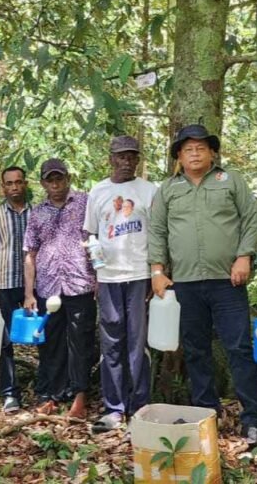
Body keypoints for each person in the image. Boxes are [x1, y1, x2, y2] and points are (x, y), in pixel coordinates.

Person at [148, 124, 257, 446]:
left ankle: (253, 420)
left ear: (212, 152)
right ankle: (205, 415)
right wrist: (157, 270)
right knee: (196, 350)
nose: (195, 153)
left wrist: (244, 256)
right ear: (179, 156)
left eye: (201, 148)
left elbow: (251, 220)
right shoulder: (168, 189)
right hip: (185, 283)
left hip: (227, 281)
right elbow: (157, 230)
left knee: (239, 348)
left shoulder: (231, 181)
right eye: (188, 149)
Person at [84, 136, 157, 432]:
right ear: (111, 159)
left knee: (138, 344)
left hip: (139, 275)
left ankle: (139, 407)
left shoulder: (149, 191)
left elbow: (159, 233)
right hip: (108, 278)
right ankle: (113, 408)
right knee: (111, 343)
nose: (126, 162)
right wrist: (95, 272)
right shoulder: (98, 191)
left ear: (138, 160)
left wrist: (157, 272)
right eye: (121, 156)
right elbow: (90, 233)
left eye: (131, 157)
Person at [23, 158, 96, 419]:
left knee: (81, 341)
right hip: (48, 287)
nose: (55, 184)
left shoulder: (85, 203)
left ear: (68, 179)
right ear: (43, 183)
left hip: (81, 284)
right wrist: (29, 293)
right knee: (51, 342)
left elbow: (96, 240)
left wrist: (99, 276)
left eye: (59, 179)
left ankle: (79, 395)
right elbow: (30, 253)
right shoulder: (37, 212)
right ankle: (53, 394)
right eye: (50, 180)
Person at [0, 165, 32, 414]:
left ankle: (47, 389)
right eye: (9, 183)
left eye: (18, 182)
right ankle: (10, 393)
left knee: (41, 334)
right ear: (3, 187)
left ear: (25, 184)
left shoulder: (37, 212)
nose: (14, 187)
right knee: (5, 340)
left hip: (34, 285)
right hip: (5, 284)